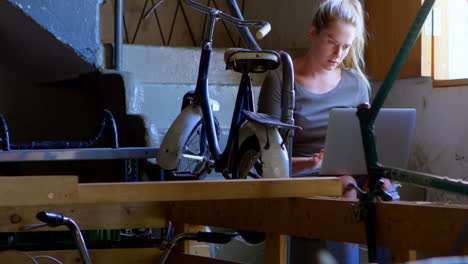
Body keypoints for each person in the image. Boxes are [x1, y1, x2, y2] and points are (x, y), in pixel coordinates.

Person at [257, 0, 398, 263]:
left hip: (347, 172)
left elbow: (365, 142)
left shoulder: (356, 84)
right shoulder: (280, 79)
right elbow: (266, 160)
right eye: (332, 42)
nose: (338, 53)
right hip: (301, 173)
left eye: (346, 46)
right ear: (313, 33)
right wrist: (312, 162)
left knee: (384, 187)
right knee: (345, 184)